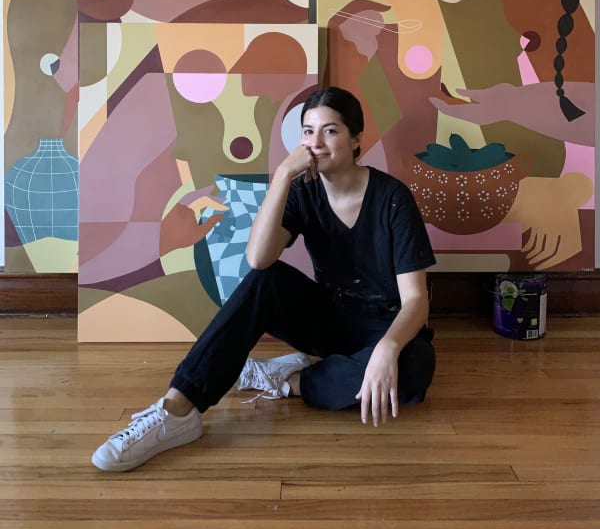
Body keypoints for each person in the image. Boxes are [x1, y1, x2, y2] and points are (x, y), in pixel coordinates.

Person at [91, 86, 437, 472]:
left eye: (330, 131)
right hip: (330, 319)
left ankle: (289, 380)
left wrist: (387, 350)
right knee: (265, 281)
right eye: (308, 131)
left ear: (357, 140)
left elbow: (416, 302)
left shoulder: (392, 199)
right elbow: (259, 259)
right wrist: (282, 178)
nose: (315, 143)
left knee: (414, 368)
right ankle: (177, 410)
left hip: (385, 322)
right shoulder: (303, 190)